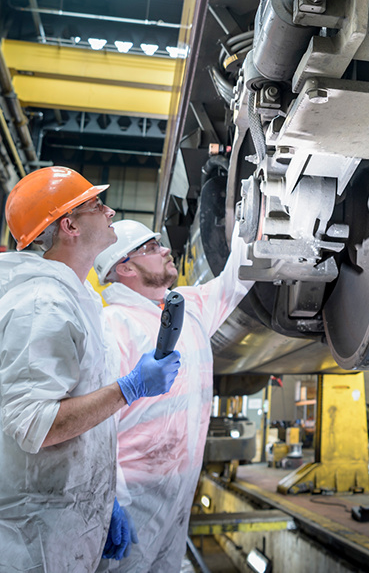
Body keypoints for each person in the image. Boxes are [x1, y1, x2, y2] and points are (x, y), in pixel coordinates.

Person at [0, 167, 183, 572]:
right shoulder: (40, 304)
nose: (111, 211)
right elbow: (38, 425)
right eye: (97, 205)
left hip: (63, 526)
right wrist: (130, 388)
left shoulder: (77, 298)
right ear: (68, 225)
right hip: (32, 543)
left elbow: (81, 419)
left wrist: (106, 497)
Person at [93, 220, 254, 573]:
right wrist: (109, 501)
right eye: (151, 248)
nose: (166, 249)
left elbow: (235, 280)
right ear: (125, 267)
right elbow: (94, 428)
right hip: (132, 496)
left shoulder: (186, 308)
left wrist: (251, 217)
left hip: (179, 492)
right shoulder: (112, 325)